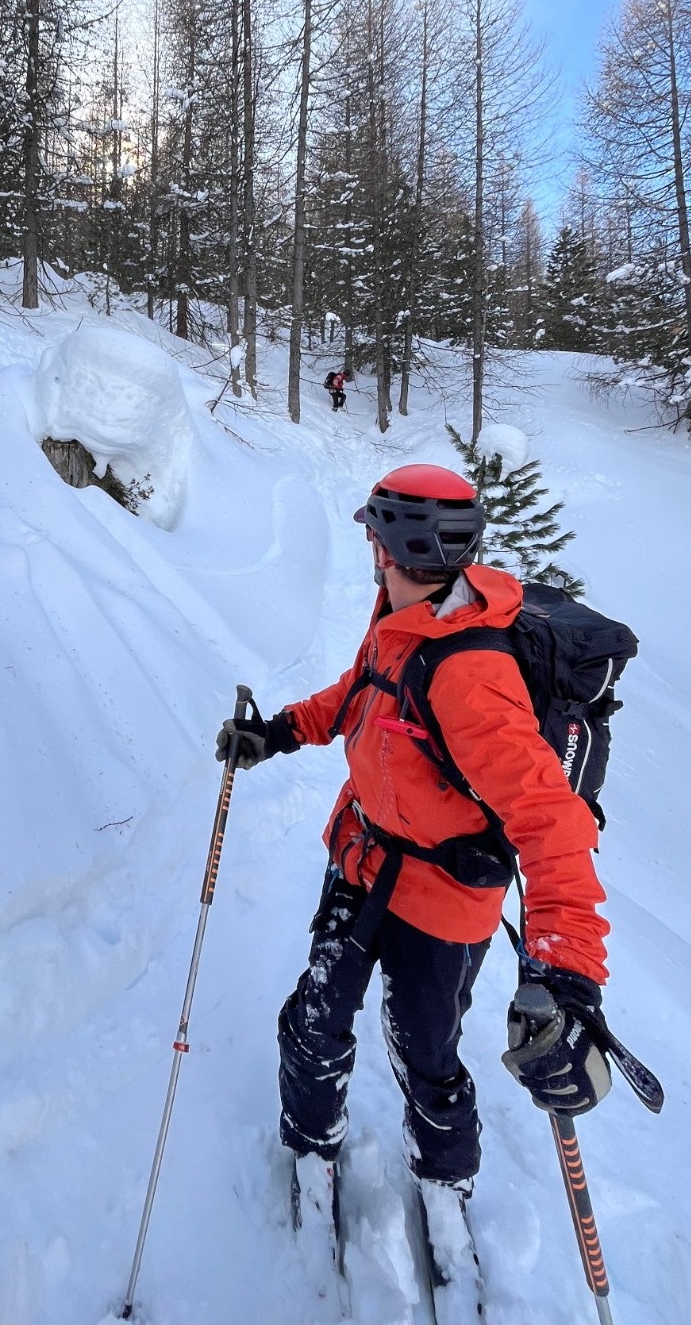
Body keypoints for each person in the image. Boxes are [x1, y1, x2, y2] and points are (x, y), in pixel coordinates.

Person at [215, 463, 612, 1265]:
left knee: (425, 1051)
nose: (369, 547)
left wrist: (567, 974)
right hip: (361, 862)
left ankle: (445, 1179)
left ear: (393, 546)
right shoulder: (403, 617)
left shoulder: (470, 675)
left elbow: (552, 822)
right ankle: (312, 1145)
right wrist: (281, 732)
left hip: (444, 901)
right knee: (315, 1021)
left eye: (374, 535)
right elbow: (360, 693)